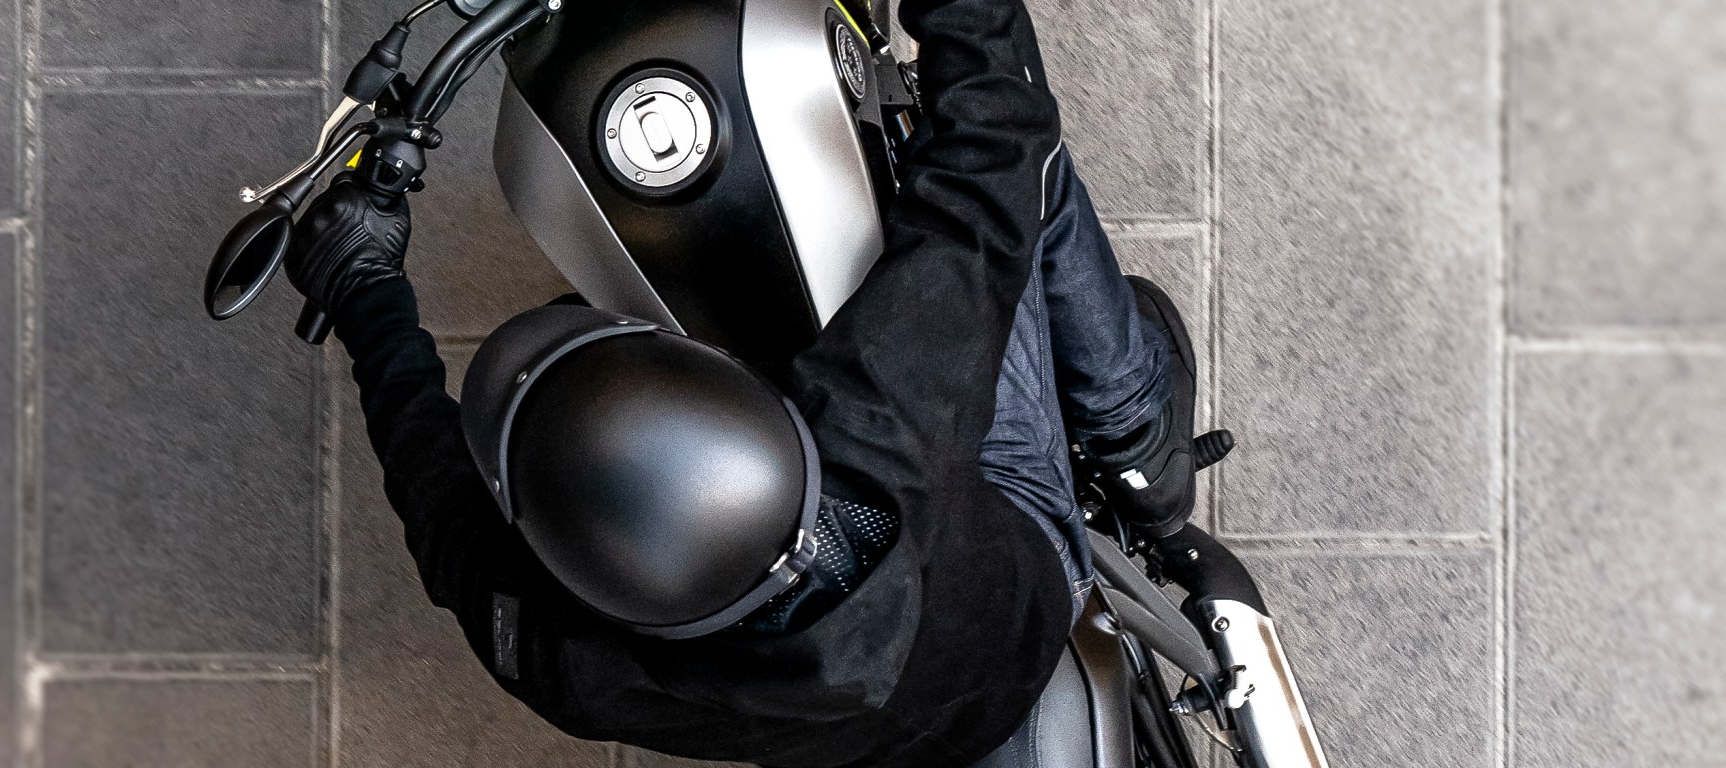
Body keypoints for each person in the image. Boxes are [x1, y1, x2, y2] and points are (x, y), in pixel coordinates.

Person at [284, 0, 1209, 764]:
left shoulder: (565, 662)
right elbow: (996, 144)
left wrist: (364, 290)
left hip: (887, 727)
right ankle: (1139, 440)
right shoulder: (876, 432)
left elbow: (438, 510)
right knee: (1023, 189)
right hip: (1025, 568)